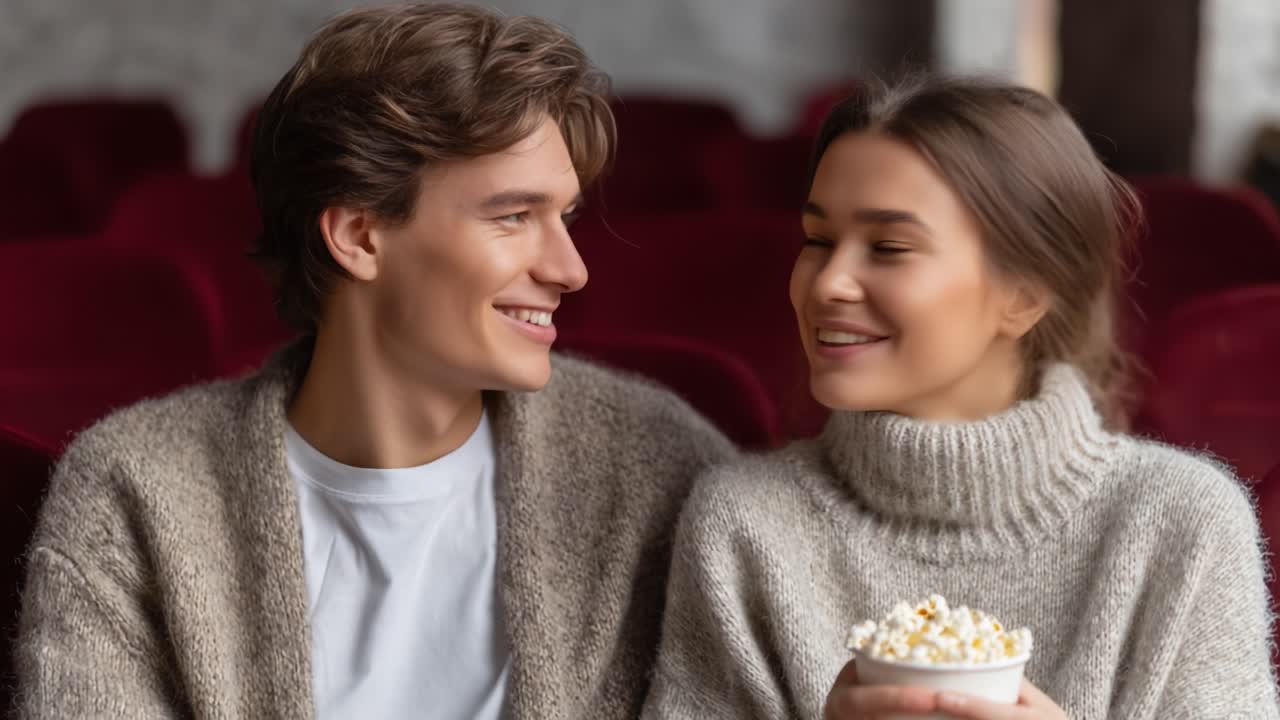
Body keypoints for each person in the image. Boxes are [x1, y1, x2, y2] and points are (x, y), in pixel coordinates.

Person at [15, 5, 735, 718]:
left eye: (565, 217)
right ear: (360, 236)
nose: (571, 268)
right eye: (513, 216)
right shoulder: (135, 492)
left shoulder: (656, 470)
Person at [642, 75, 1278, 719]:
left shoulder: (1183, 523)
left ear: (1025, 294)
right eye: (818, 241)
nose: (828, 282)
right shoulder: (742, 521)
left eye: (888, 247)